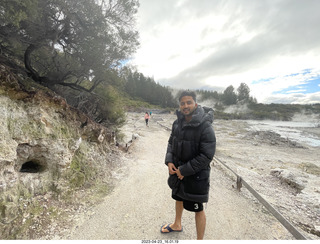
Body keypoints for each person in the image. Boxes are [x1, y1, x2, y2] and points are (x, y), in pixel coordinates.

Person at [161, 90, 216, 240]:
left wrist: (185, 170)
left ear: (195, 104)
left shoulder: (205, 126)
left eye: (189, 102)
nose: (185, 106)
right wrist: (170, 160)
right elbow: (171, 142)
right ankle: (177, 224)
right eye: (182, 103)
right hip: (177, 171)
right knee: (178, 197)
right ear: (179, 106)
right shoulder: (177, 123)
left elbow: (207, 155)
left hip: (196, 175)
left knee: (198, 209)